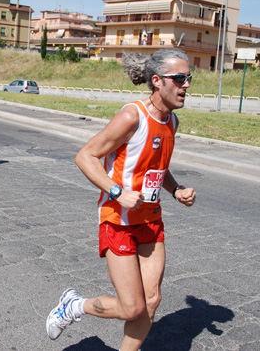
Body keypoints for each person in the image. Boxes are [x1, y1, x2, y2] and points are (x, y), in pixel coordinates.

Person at [45, 49, 197, 351]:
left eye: (189, 78)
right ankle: (74, 305)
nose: (187, 85)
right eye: (179, 78)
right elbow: (85, 156)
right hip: (118, 220)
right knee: (132, 308)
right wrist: (117, 192)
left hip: (150, 220)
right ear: (157, 81)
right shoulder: (132, 115)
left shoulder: (172, 122)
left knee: (151, 301)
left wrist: (176, 188)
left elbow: (157, 168)